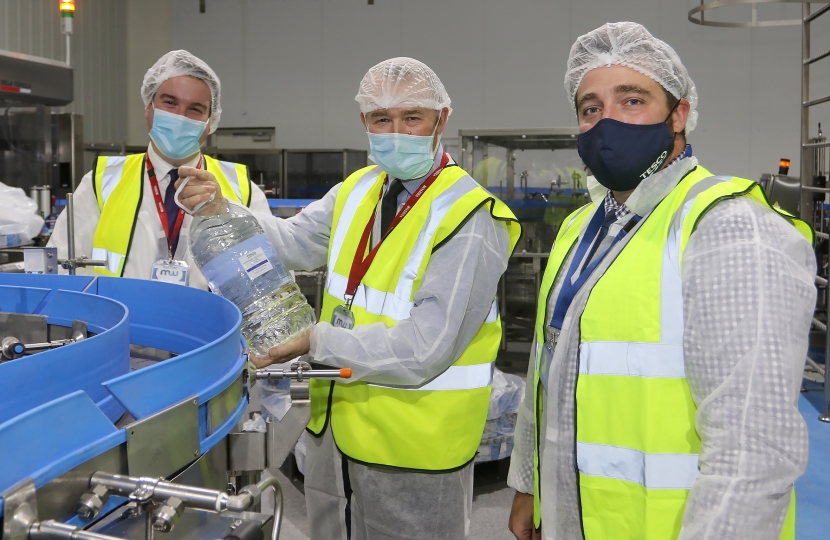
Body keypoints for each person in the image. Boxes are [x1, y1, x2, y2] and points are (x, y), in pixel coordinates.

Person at [177, 57, 521, 539]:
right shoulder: (358, 190)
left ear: (441, 120)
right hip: (334, 438)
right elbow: (290, 242)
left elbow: (426, 347)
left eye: (412, 118)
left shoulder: (469, 217)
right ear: (364, 123)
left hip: (413, 453)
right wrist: (222, 208)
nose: (395, 132)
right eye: (382, 119)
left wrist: (316, 339)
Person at [507, 22, 815, 540]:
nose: (607, 123)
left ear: (680, 114)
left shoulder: (728, 228)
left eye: (631, 101)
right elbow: (548, 374)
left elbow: (754, 450)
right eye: (590, 108)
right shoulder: (582, 228)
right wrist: (530, 484)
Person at [49, 50, 270, 288]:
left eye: (195, 109)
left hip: (210, 325)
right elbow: (60, 269)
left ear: (210, 122)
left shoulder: (242, 190)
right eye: (170, 103)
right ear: (148, 108)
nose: (179, 117)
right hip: (122, 323)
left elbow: (267, 279)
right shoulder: (102, 182)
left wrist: (224, 220)